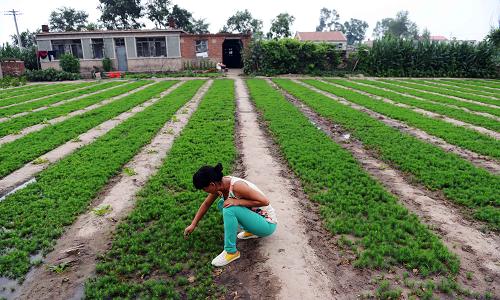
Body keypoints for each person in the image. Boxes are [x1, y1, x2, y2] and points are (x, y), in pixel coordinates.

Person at [184, 163, 277, 267]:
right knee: (223, 204)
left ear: (212, 185)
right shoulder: (220, 186)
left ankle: (231, 252)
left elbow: (265, 201)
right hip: (257, 219)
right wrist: (193, 224)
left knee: (229, 208)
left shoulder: (237, 186)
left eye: (204, 189)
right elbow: (206, 204)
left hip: (267, 224)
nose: (204, 191)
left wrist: (237, 202)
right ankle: (250, 231)